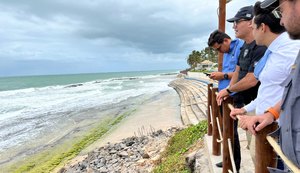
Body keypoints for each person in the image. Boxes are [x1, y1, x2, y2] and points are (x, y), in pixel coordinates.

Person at [234, 0, 300, 172]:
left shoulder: (290, 50)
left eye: (253, 27)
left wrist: (271, 115)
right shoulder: (273, 51)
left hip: (282, 132)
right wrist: (251, 110)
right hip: (270, 124)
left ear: (262, 27)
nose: (283, 22)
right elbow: (270, 90)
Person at [217, 6, 267, 172]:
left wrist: (229, 91)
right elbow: (238, 72)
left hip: (261, 107)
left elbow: (252, 79)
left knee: (261, 153)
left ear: (251, 22)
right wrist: (228, 92)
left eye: (237, 22)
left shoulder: (261, 47)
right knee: (254, 153)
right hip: (247, 106)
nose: (234, 26)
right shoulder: (244, 47)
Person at [207, 30, 244, 169]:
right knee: (225, 130)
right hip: (225, 95)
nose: (219, 52)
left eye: (219, 48)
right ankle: (228, 158)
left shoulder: (240, 47)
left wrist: (223, 76)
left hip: (235, 96)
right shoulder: (227, 52)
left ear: (226, 41)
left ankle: (235, 165)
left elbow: (241, 74)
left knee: (232, 132)